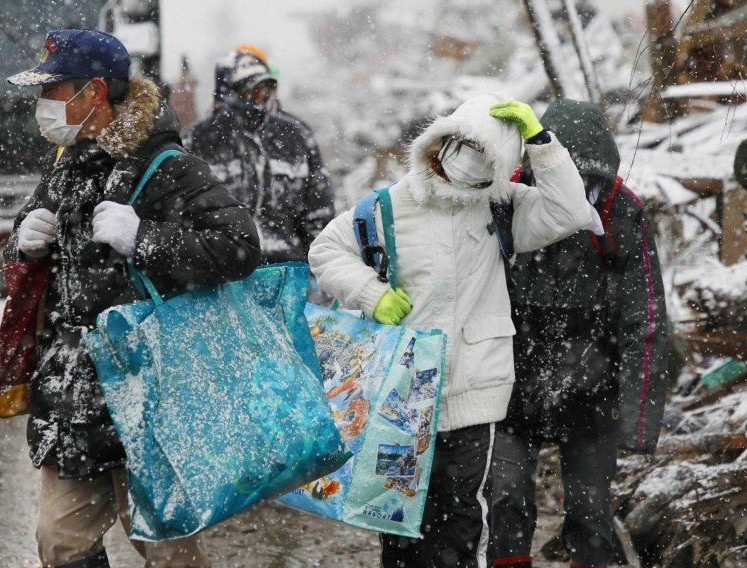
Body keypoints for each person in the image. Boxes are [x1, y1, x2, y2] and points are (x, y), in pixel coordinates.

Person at [308, 93, 599, 567]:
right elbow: (325, 251)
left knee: (462, 520)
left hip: (472, 391)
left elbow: (569, 211)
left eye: (485, 159)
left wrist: (540, 141)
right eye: (460, 149)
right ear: (437, 144)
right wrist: (369, 293)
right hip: (398, 401)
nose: (465, 167)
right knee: (399, 525)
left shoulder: (500, 209)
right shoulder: (383, 208)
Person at [6, 29, 261, 567]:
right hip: (74, 394)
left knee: (167, 550)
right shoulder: (66, 164)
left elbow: (239, 247)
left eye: (52, 90)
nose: (43, 104)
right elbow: (28, 250)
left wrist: (143, 238)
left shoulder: (169, 167)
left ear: (93, 92)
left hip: (150, 390)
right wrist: (23, 239)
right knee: (61, 542)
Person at [488, 100, 669, 568]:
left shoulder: (622, 214)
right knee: (506, 502)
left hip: (593, 385)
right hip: (512, 380)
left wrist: (638, 421)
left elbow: (645, 320)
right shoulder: (506, 202)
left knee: (591, 513)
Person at [183, 45, 335, 266]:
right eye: (249, 90)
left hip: (288, 269)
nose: (258, 99)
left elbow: (318, 212)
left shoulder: (296, 136)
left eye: (264, 89)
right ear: (227, 91)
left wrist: (320, 267)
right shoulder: (198, 141)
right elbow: (183, 214)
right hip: (221, 275)